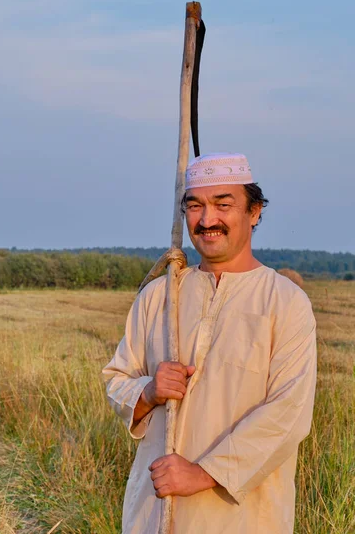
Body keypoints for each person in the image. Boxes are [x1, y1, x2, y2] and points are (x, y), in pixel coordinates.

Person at [102, 152, 317, 534]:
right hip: (155, 513)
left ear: (254, 211)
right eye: (195, 205)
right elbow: (117, 379)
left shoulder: (285, 302)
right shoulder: (159, 296)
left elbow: (289, 413)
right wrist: (148, 391)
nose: (207, 220)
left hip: (245, 517)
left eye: (223, 204)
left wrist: (203, 473)